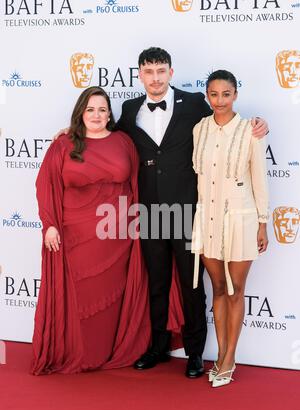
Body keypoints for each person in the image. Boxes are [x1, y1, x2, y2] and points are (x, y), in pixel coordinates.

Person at [55, 47, 268, 378]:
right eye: (148, 72)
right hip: (149, 212)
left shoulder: (196, 102)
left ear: (170, 72)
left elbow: (225, 121)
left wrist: (258, 126)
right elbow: (103, 133)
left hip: (189, 211)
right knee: (156, 281)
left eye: (161, 71)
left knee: (191, 284)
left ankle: (196, 354)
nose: (155, 78)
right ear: (140, 74)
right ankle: (158, 346)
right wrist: (69, 135)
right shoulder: (127, 109)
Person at [31, 86, 150, 375]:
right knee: (82, 295)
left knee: (113, 296)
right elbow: (46, 186)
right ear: (80, 113)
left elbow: (135, 185)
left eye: (102, 109)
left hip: (118, 234)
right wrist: (49, 225)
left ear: (110, 114)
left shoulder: (124, 142)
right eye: (90, 109)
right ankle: (79, 353)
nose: (96, 115)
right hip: (76, 234)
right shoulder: (63, 145)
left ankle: (109, 351)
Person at [192, 70, 269, 387]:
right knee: (219, 290)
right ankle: (221, 353)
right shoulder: (200, 129)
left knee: (235, 291)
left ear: (235, 94)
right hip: (207, 219)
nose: (220, 100)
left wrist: (263, 223)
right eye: (213, 94)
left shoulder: (251, 130)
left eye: (226, 94)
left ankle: (229, 358)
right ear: (207, 96)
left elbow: (259, 179)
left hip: (241, 219)